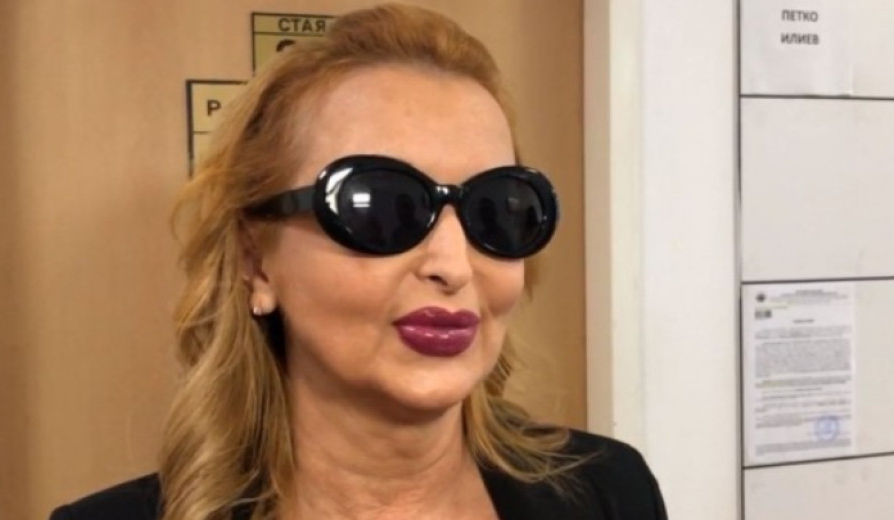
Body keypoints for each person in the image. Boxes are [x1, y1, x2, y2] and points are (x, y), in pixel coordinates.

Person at [50, 4, 667, 520]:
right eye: (382, 207)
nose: (454, 266)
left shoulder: (610, 491)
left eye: (495, 208)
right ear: (255, 261)